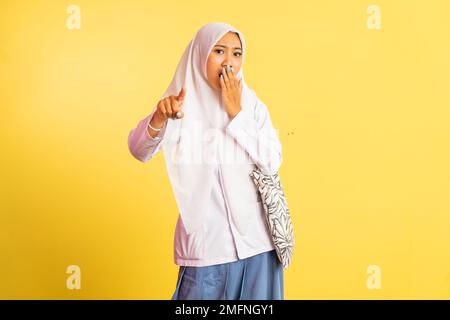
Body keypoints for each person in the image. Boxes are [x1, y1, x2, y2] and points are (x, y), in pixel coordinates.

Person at [128, 22, 284, 300]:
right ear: (200, 54)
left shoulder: (252, 104)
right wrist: (159, 118)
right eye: (219, 51)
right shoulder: (178, 105)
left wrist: (237, 113)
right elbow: (139, 150)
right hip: (207, 250)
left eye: (237, 54)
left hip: (259, 246)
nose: (229, 62)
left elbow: (272, 160)